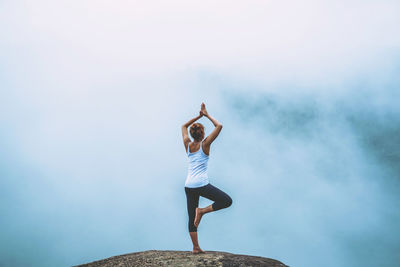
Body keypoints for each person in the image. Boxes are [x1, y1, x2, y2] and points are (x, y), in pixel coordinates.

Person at [181, 102, 233, 254]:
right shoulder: (206, 144)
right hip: (202, 185)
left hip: (189, 185)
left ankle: (195, 247)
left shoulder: (188, 145)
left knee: (191, 218)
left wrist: (198, 116)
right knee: (227, 201)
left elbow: (183, 126)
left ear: (192, 134)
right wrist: (207, 115)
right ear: (203, 134)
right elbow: (219, 126)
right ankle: (203, 211)